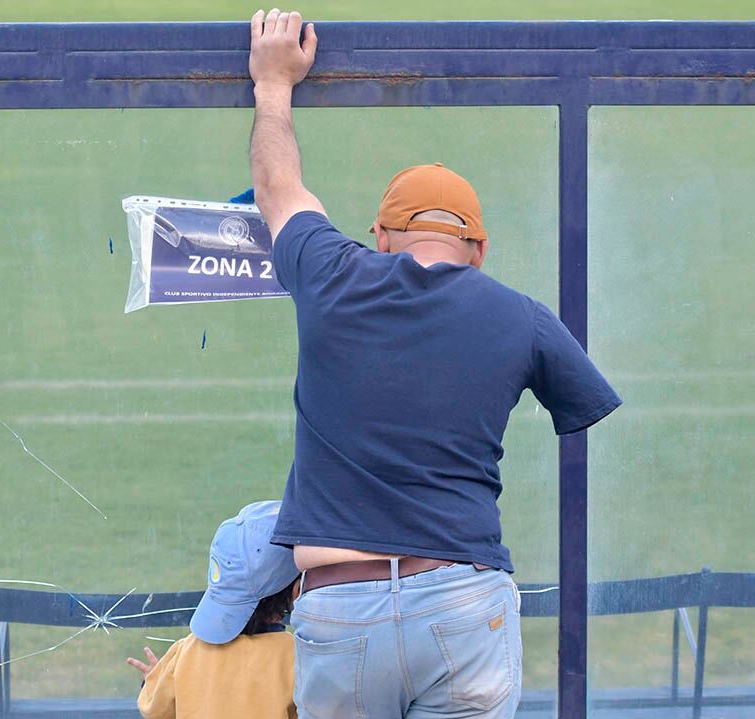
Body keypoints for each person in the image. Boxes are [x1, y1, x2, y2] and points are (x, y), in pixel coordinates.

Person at [247, 8, 623, 719]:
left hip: (339, 606)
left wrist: (273, 84)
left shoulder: (331, 271)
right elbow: (585, 400)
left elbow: (279, 188)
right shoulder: (520, 315)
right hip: (460, 599)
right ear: (478, 250)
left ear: (382, 238)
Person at [126, 500, 300, 719]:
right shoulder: (296, 655)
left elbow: (156, 710)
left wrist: (151, 681)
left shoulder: (186, 651)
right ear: (295, 590)